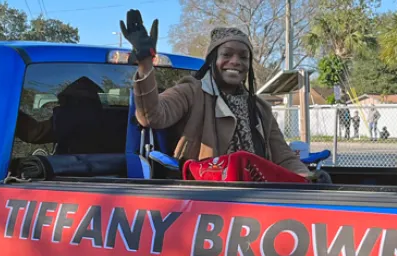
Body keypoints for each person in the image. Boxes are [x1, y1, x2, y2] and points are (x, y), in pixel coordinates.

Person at [119, 10, 310, 178]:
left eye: (243, 57)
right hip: (205, 200)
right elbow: (151, 116)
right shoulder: (191, 91)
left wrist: (308, 178)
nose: (236, 61)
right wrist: (145, 64)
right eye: (227, 55)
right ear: (212, 60)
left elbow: (283, 157)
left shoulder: (260, 108)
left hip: (256, 199)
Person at [14, 76, 106, 154]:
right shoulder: (114, 118)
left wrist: (10, 112)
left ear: (72, 99)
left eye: (64, 100)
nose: (61, 104)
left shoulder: (69, 118)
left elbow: (34, 133)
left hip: (69, 169)